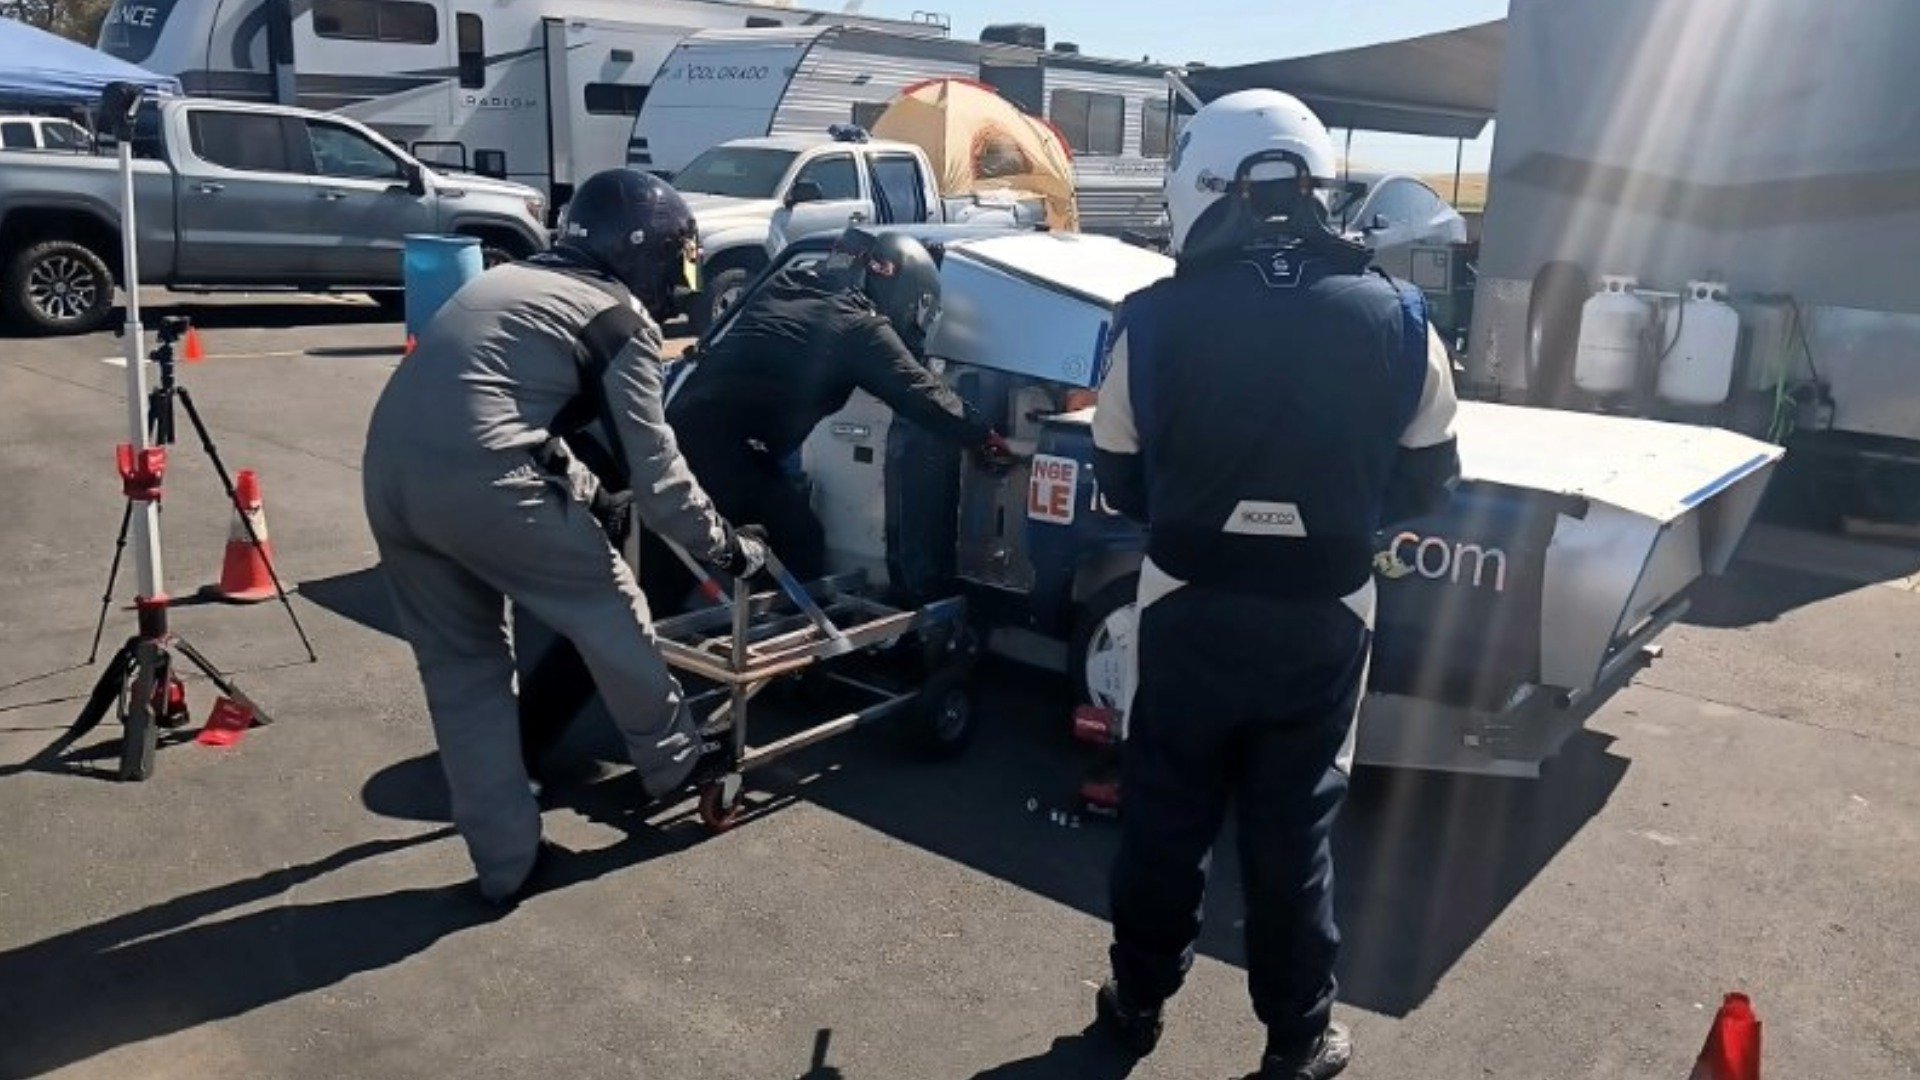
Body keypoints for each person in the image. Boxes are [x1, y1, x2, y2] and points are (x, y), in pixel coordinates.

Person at [1087, 90, 1461, 1079]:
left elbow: (1117, 469)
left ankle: (1136, 1004)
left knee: (1166, 814)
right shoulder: (1398, 314)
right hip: (1327, 611)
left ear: (1207, 185)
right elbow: (1432, 474)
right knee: (1294, 833)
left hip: (1187, 599)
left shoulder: (1153, 318)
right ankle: (1298, 1036)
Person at [362, 167, 767, 905]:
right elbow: (661, 480)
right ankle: (678, 762)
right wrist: (727, 549)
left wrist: (582, 491)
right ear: (643, 253)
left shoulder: (509, 280)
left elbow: (513, 410)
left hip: (389, 471)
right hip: (480, 480)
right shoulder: (617, 319)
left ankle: (505, 863)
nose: (679, 282)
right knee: (611, 607)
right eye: (678, 260)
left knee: (466, 679)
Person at [642, 227, 1015, 612]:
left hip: (680, 432)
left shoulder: (787, 284)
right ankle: (791, 641)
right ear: (902, 291)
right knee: (800, 535)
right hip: (724, 450)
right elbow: (921, 393)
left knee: (672, 557)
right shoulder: (861, 328)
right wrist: (982, 435)